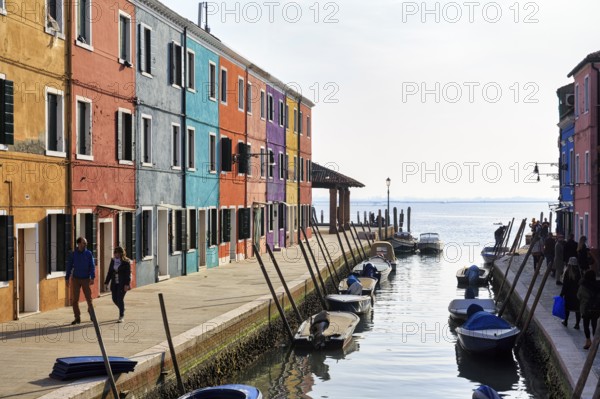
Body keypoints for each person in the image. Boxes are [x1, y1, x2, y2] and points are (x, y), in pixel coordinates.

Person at [65, 237, 95, 325]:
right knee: (75, 300)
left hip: (86, 279)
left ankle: (91, 314)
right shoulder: (73, 254)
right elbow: (69, 266)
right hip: (76, 279)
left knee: (89, 299)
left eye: (86, 243)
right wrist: (67, 278)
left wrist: (92, 277)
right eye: (83, 243)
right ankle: (77, 317)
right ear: (78, 244)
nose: (85, 245)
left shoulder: (89, 254)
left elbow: (92, 266)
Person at [104, 246, 132, 323]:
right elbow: (109, 272)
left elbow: (128, 274)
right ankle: (122, 307)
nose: (115, 254)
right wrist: (106, 282)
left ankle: (121, 315)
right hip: (114, 283)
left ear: (121, 253)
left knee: (120, 298)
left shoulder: (126, 262)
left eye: (117, 252)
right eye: (115, 252)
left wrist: (127, 284)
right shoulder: (113, 261)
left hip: (122, 283)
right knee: (114, 299)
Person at [578, 269, 600, 349]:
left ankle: (588, 341)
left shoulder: (583, 285)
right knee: (594, 325)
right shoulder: (598, 285)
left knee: (586, 325)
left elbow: (579, 296)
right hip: (596, 309)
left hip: (586, 308)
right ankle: (595, 343)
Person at [560, 257, 581, 330]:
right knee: (578, 310)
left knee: (567, 308)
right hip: (577, 294)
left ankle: (565, 321)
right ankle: (577, 324)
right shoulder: (579, 272)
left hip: (569, 294)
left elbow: (565, 285)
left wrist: (562, 294)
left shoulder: (567, 272)